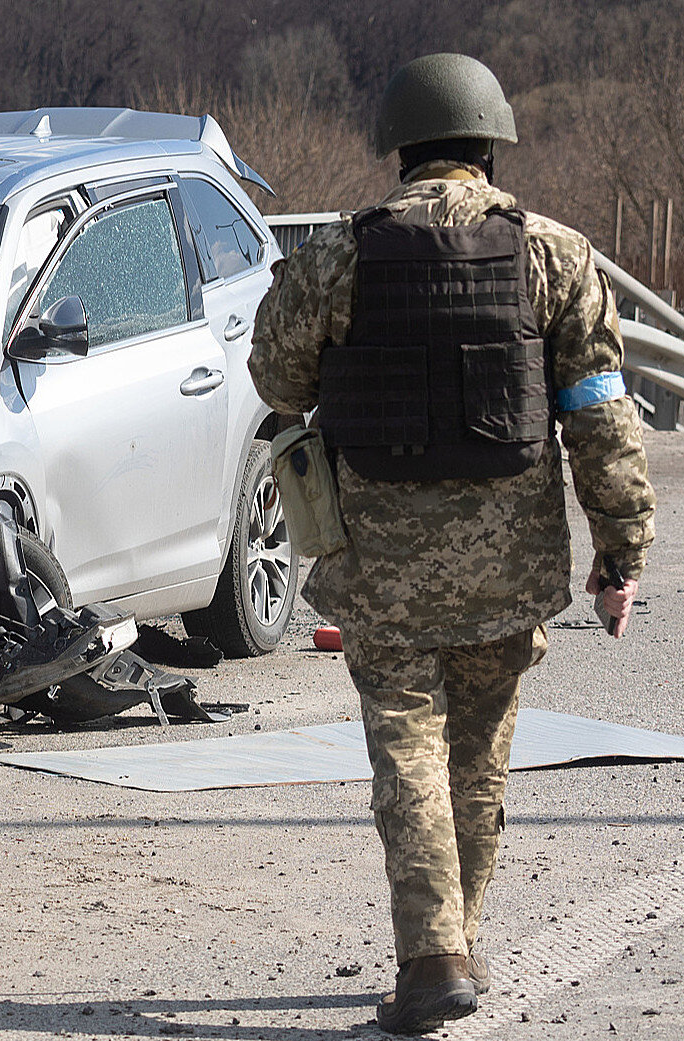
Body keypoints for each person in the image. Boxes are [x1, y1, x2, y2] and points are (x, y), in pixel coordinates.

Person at [248, 53, 656, 1034]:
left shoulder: (339, 256)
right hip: (507, 568)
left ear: (401, 146)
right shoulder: (556, 254)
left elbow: (276, 381)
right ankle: (451, 948)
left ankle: (435, 958)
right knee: (475, 759)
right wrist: (622, 550)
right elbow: (600, 414)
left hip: (379, 566)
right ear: (490, 142)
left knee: (408, 753)